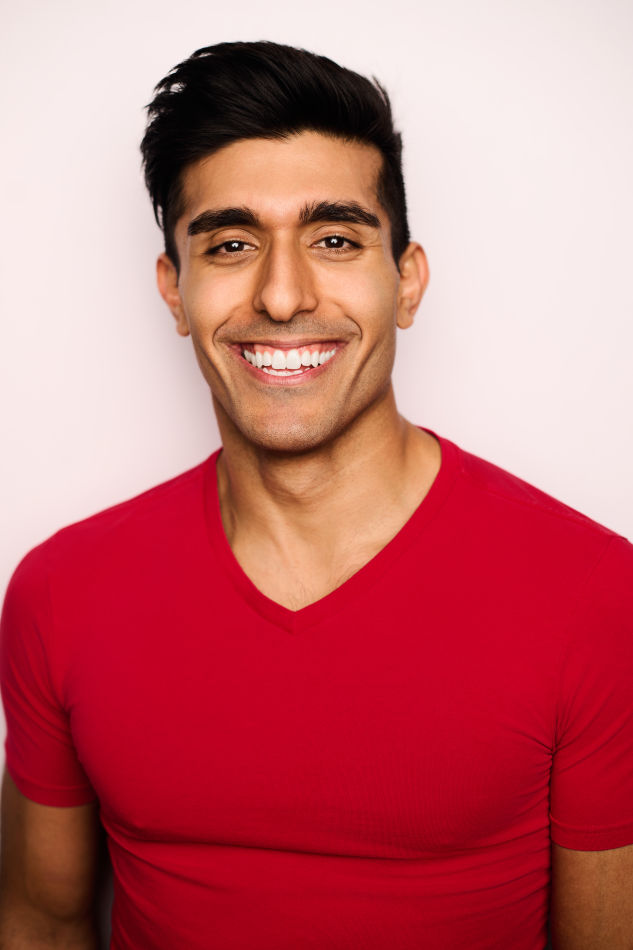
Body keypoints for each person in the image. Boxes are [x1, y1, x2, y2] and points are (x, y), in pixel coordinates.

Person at [0, 40, 632, 950]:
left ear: (405, 281)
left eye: (334, 240)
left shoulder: (592, 594)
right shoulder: (61, 592)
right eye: (231, 244)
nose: (283, 295)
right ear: (174, 290)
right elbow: (41, 923)